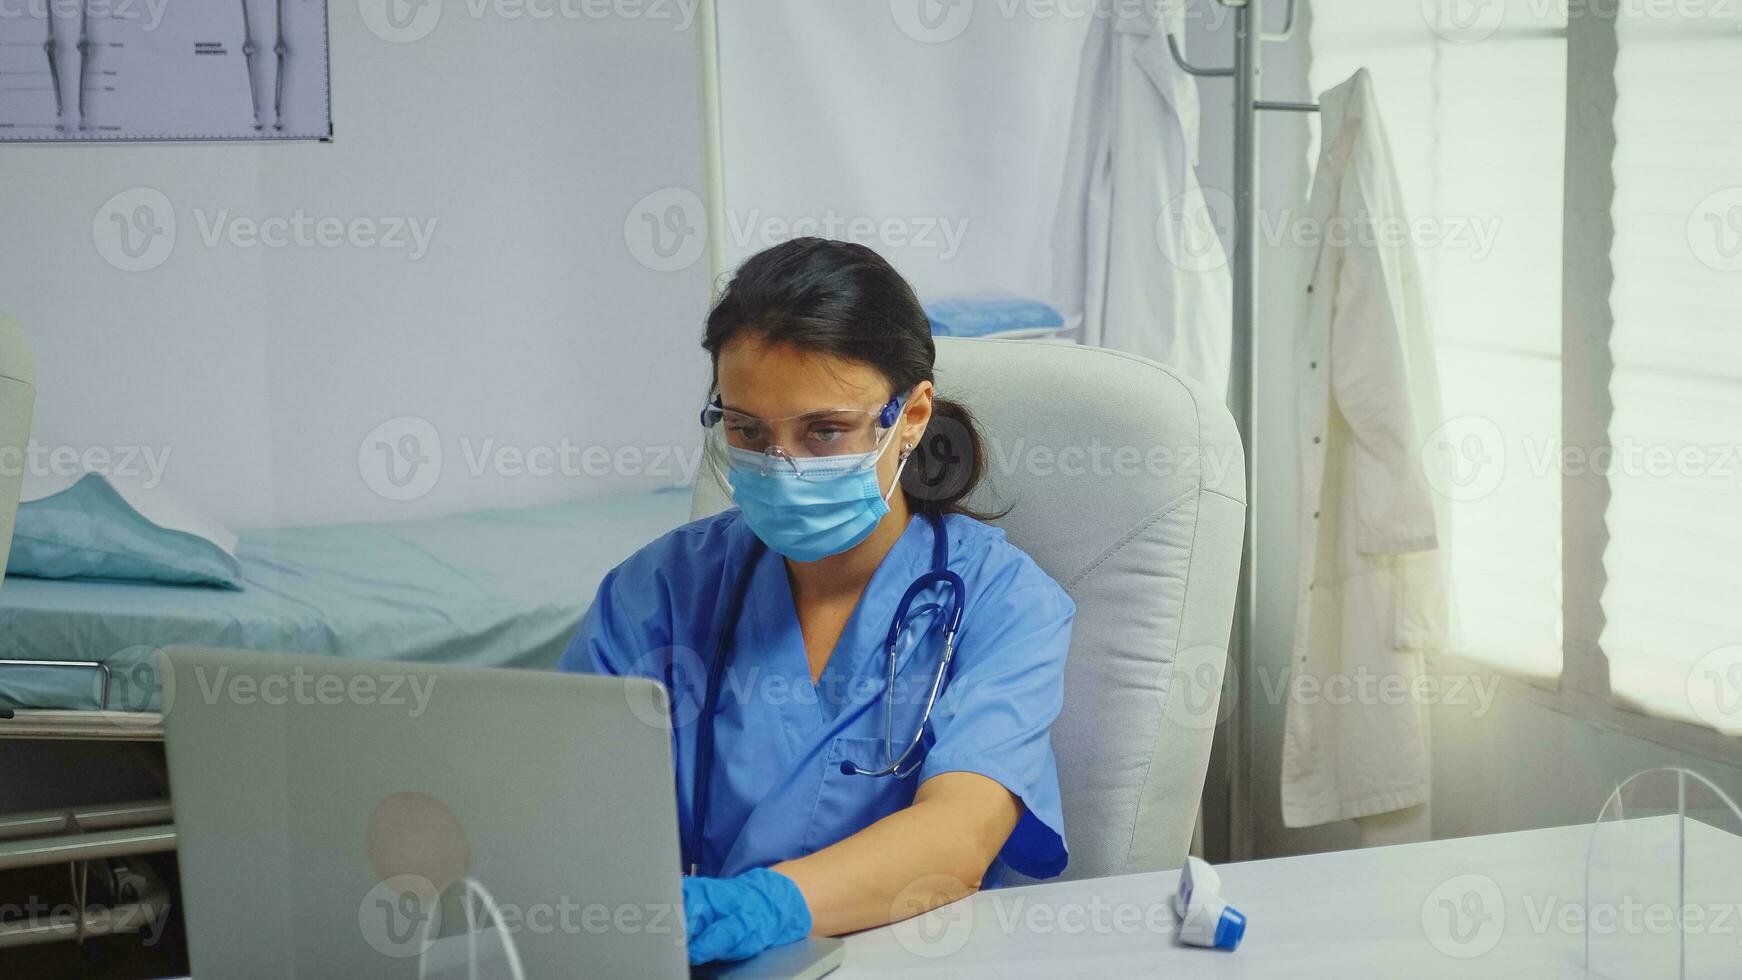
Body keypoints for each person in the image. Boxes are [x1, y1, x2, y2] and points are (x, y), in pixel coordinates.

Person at [560, 238, 1074, 964]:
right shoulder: (656, 593)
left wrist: (756, 907)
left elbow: (957, 840)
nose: (783, 466)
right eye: (747, 430)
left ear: (914, 415)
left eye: (824, 431)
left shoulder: (1002, 601)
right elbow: (567, 816)